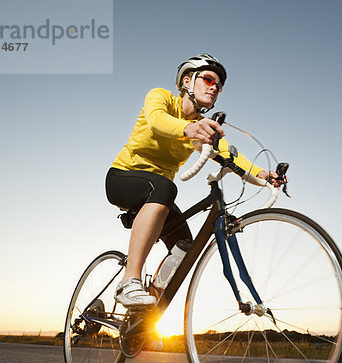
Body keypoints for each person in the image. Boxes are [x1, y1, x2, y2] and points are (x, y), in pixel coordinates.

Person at [106, 54, 282, 307]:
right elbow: (157, 121)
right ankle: (129, 280)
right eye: (209, 79)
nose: (215, 88)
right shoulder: (161, 98)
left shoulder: (200, 124)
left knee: (184, 246)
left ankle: (146, 310)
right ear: (187, 81)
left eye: (219, 87)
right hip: (123, 178)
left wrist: (262, 175)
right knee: (165, 187)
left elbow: (228, 154)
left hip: (159, 193)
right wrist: (188, 129)